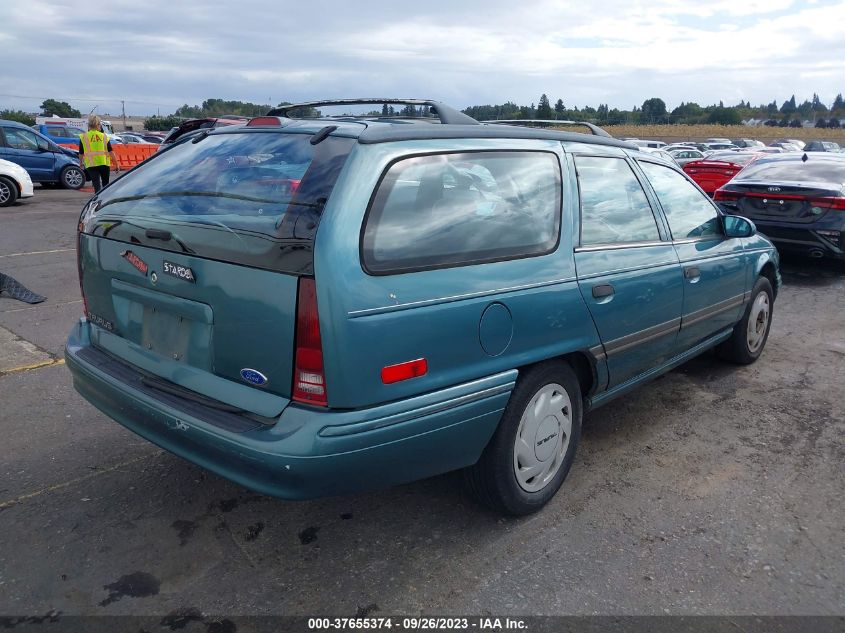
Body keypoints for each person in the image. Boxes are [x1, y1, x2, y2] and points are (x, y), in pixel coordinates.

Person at [78, 114, 120, 192]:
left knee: (96, 185)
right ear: (98, 124)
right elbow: (110, 151)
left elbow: (81, 152)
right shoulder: (104, 136)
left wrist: (80, 163)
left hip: (91, 164)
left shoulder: (84, 137)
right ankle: (105, 201)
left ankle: (98, 202)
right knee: (106, 185)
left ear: (89, 125)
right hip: (104, 163)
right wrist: (116, 164)